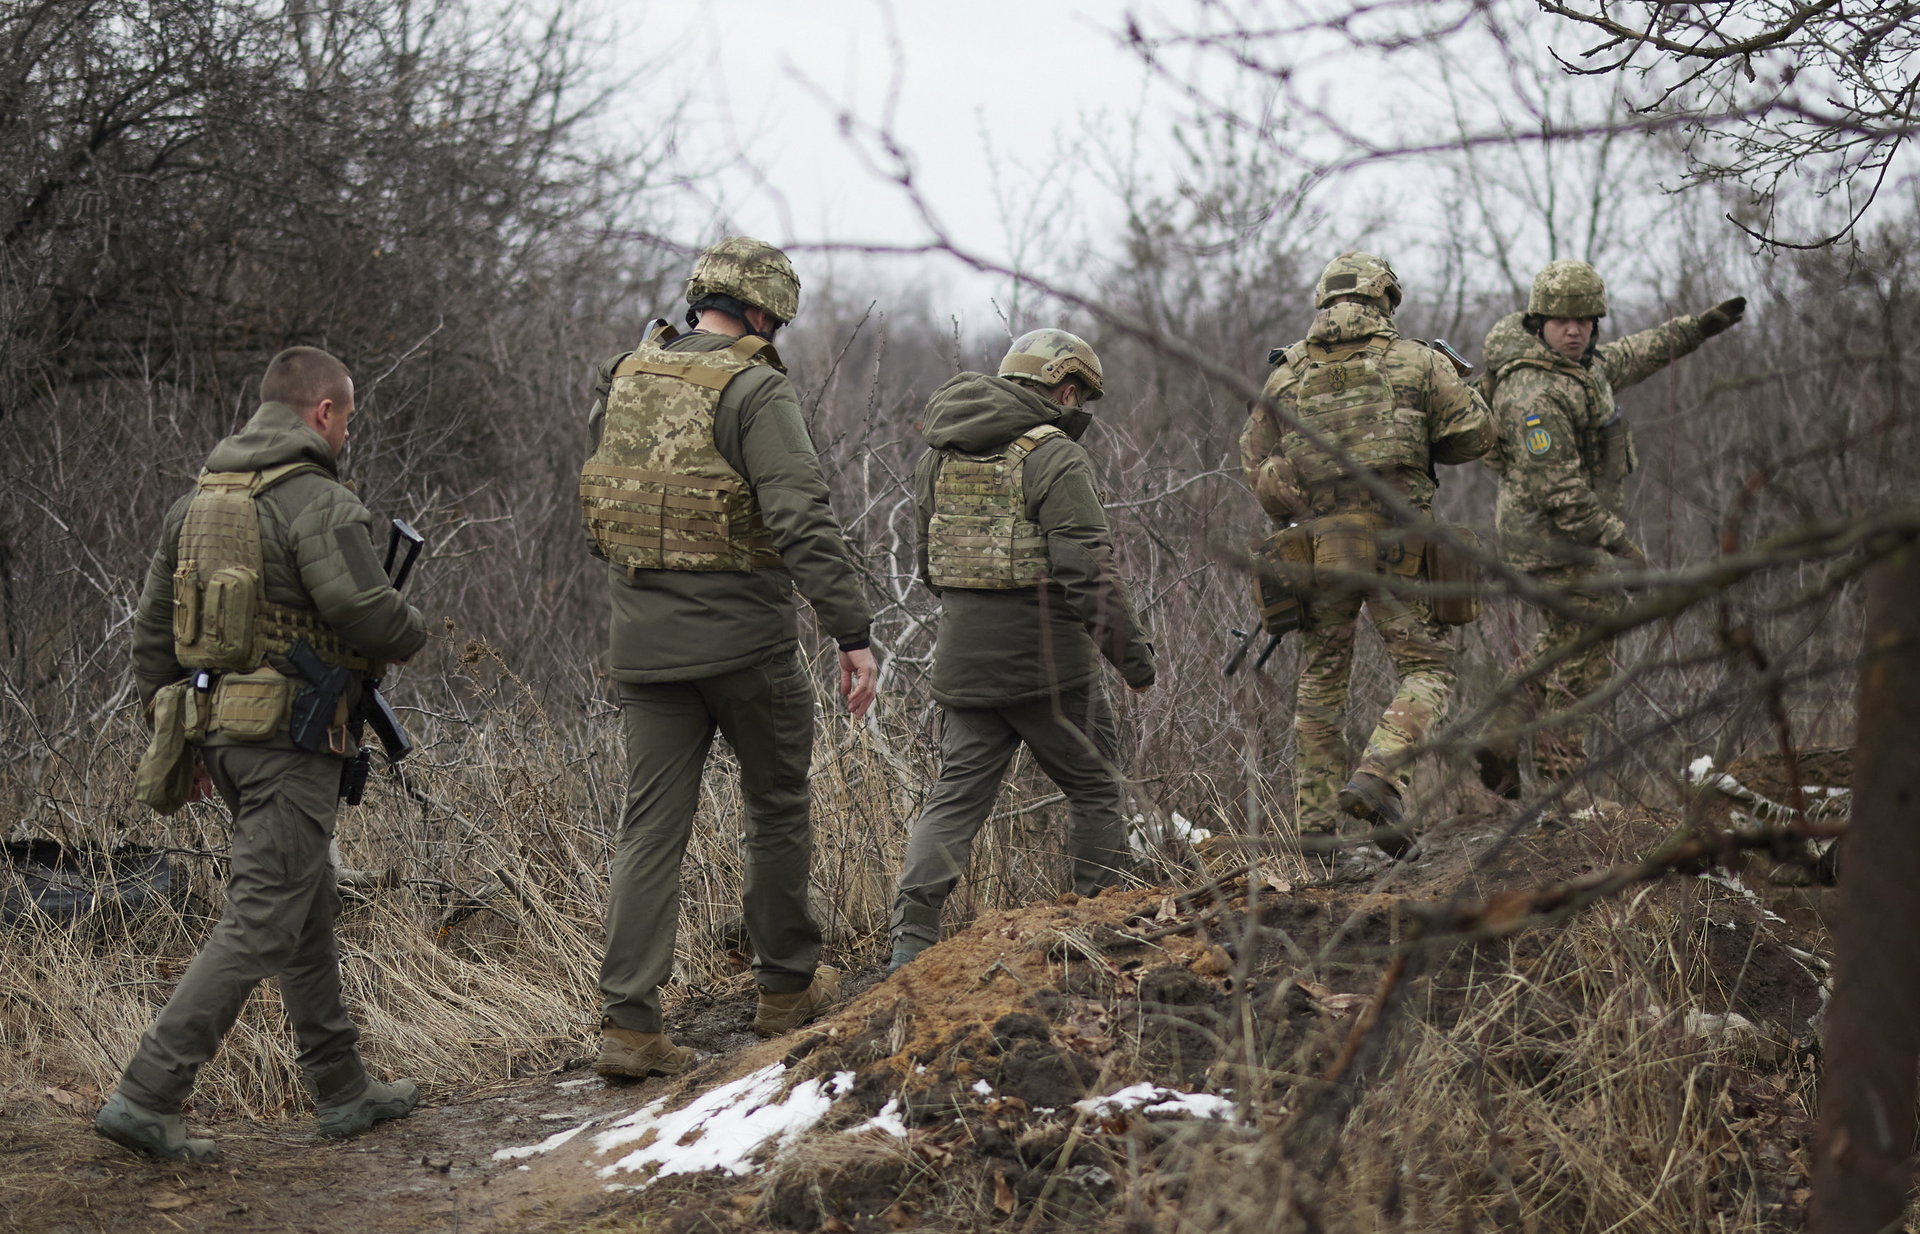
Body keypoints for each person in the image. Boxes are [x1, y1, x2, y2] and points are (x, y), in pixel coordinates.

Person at [100, 347, 428, 1162]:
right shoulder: (318, 500)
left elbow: (151, 640)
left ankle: (342, 1088)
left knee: (305, 904)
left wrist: (185, 734)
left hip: (224, 738)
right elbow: (369, 614)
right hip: (291, 742)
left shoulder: (196, 505)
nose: (348, 431)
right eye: (346, 416)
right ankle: (148, 1093)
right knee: (259, 920)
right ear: (322, 413)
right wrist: (410, 627)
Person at [581, 237, 876, 1075]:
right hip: (747, 644)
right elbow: (801, 519)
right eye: (775, 317)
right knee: (777, 805)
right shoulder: (755, 388)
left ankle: (627, 1026)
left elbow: (602, 506)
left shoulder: (623, 378)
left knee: (649, 832)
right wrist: (851, 633)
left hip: (643, 645)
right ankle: (784, 987)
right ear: (757, 312)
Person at [887, 329, 1155, 973]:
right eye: (1081, 398)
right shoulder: (1054, 456)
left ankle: (910, 944)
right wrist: (1134, 659)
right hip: (1047, 667)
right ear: (1063, 389)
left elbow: (930, 563)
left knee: (956, 796)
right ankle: (1101, 921)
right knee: (1095, 787)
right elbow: (1088, 572)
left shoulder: (939, 453)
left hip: (962, 659)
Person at [1240, 251, 1493, 848]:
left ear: (1323, 303)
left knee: (1321, 684)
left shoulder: (1287, 374)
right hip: (1400, 550)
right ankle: (1379, 773)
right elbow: (1476, 437)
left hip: (1323, 551)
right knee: (1429, 666)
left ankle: (1317, 838)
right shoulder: (1419, 363)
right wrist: (1462, 392)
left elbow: (1255, 462)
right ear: (1386, 301)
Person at [1476, 260, 1744, 791]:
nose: (1575, 330)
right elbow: (1561, 494)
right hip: (1547, 538)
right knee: (1590, 643)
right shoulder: (1533, 391)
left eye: (1586, 320)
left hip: (1568, 537)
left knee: (1561, 638)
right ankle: (1562, 789)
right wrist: (1623, 547)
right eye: (1562, 321)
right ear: (1539, 324)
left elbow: (1635, 354)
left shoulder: (1582, 366)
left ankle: (1500, 736)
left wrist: (1698, 328)